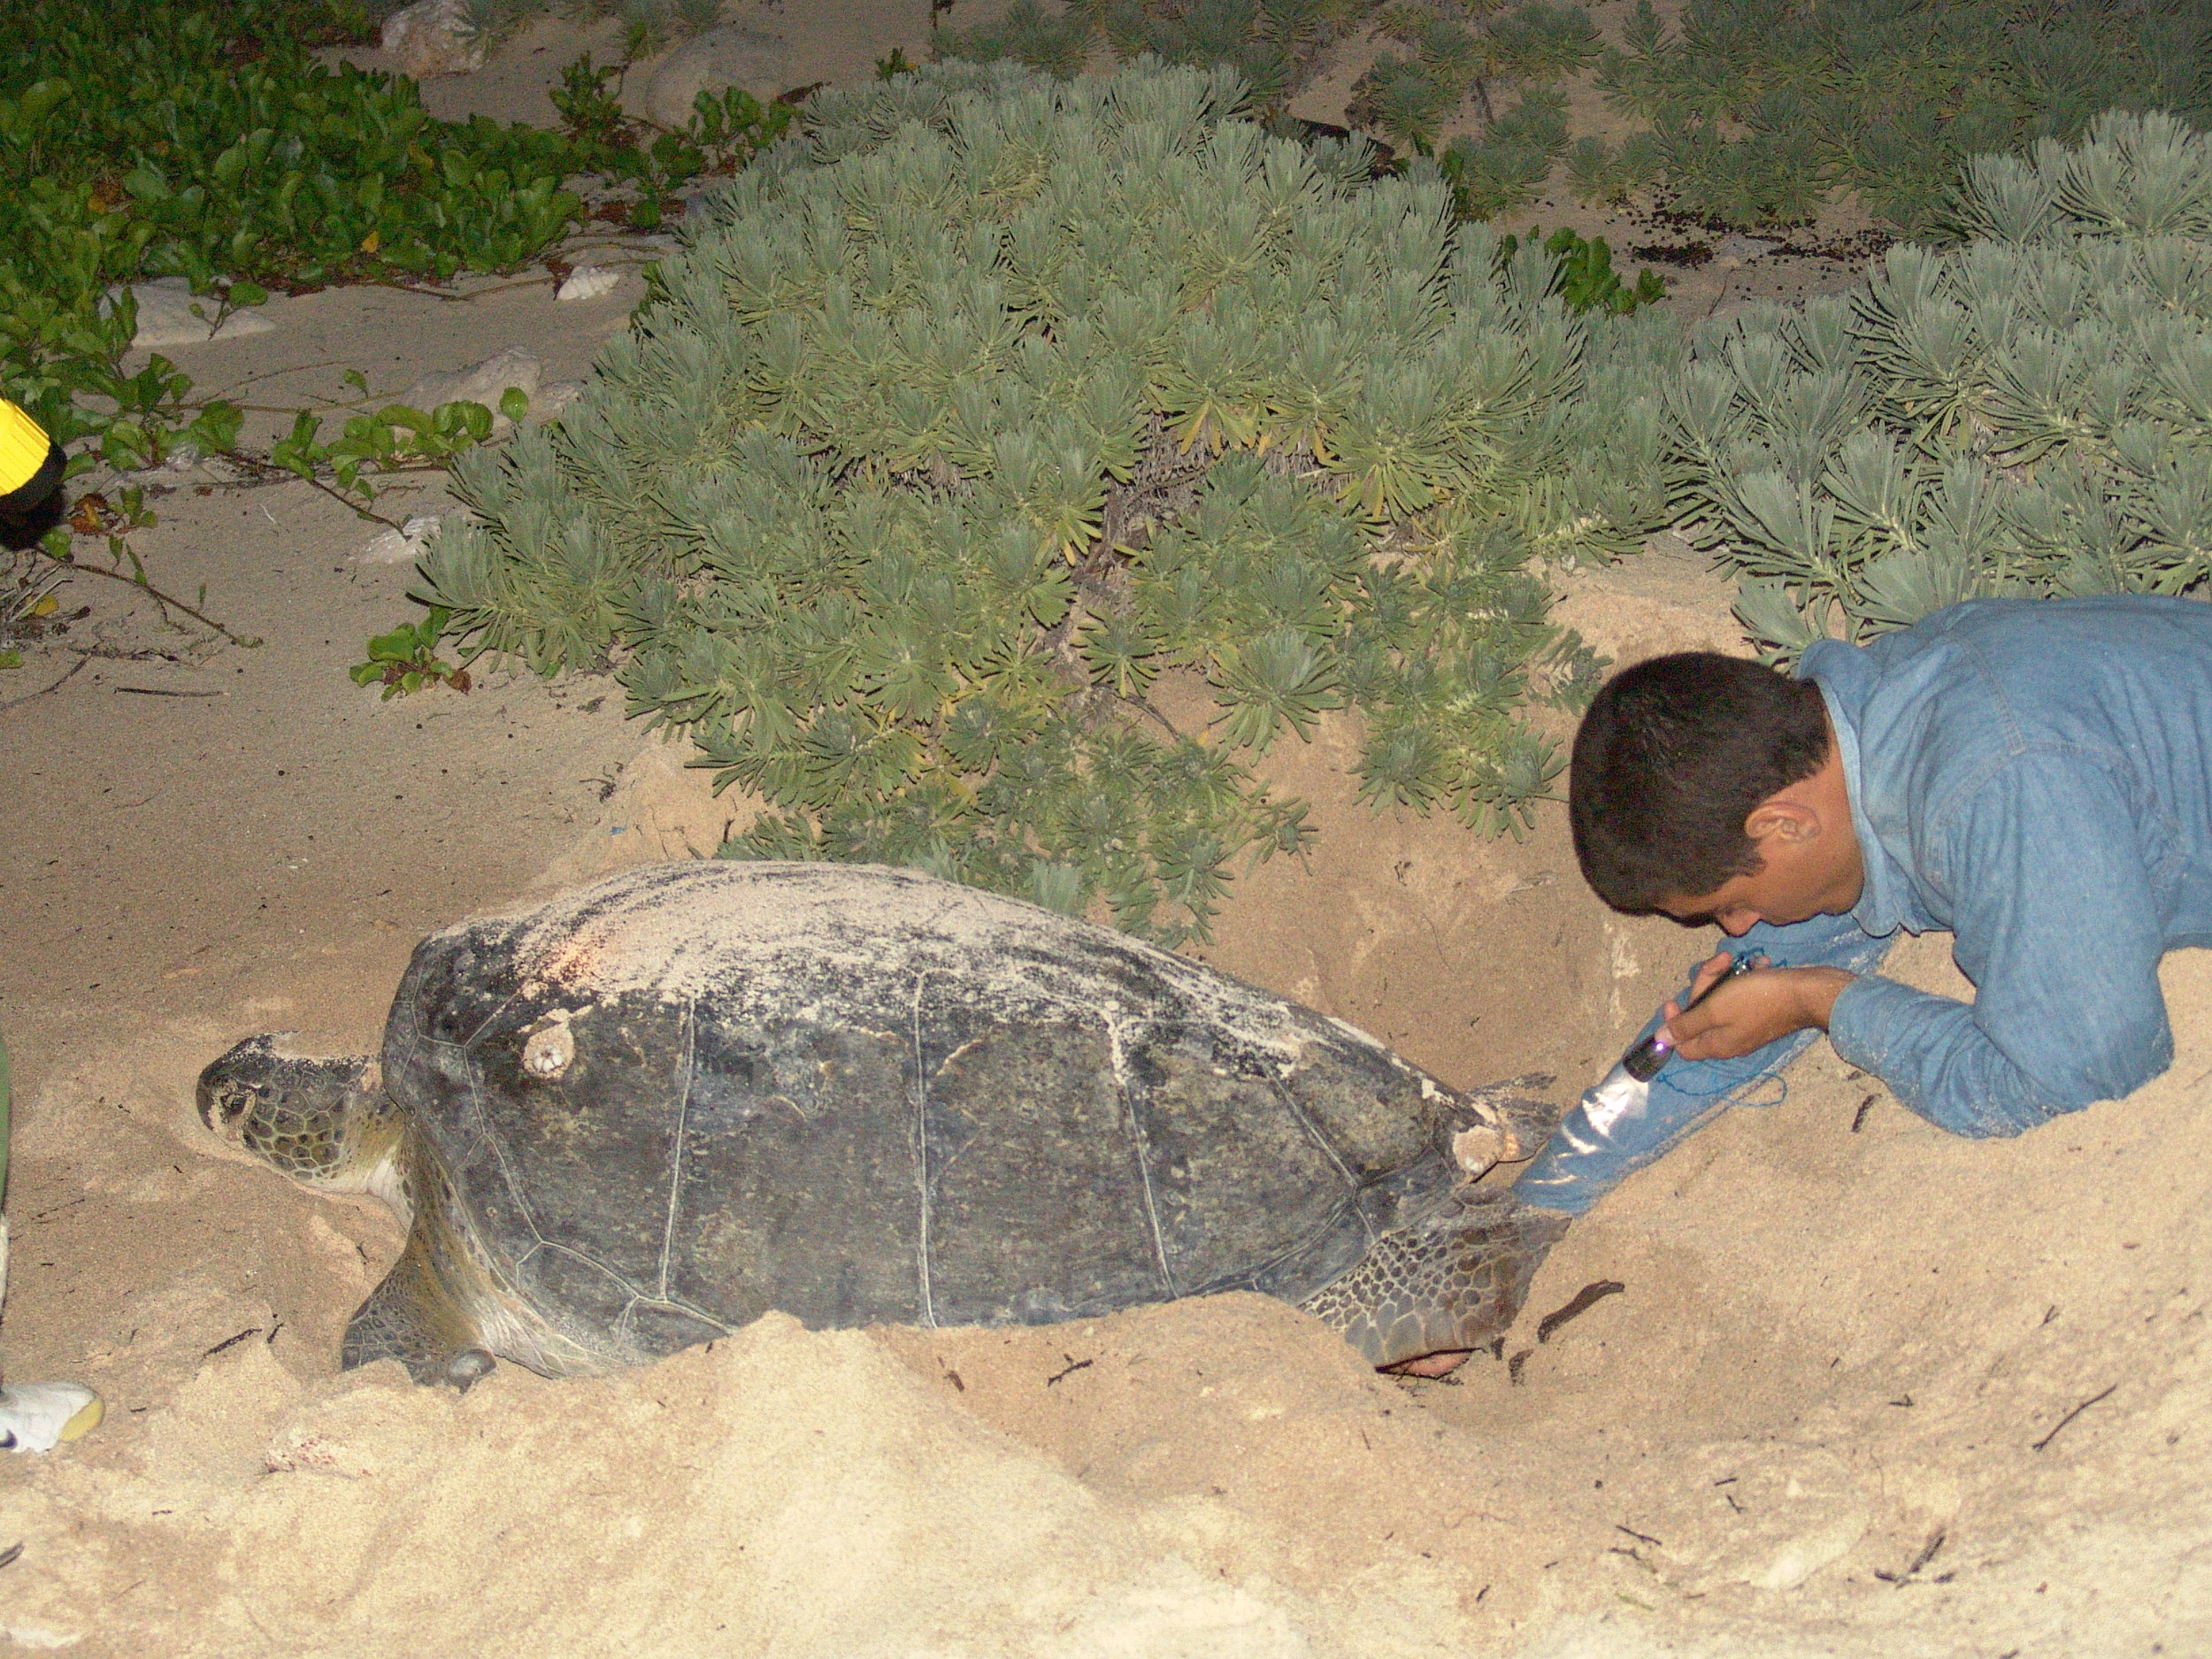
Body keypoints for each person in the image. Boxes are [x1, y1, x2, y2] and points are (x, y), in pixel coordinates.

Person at [1514, 594, 2212, 1217]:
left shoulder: (1998, 786)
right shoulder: (1867, 716)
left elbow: (2079, 1074)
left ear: (1783, 824)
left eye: (1729, 904)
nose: (1736, 931)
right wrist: (1531, 1209)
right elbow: (1744, 994)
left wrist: (1822, 1001)